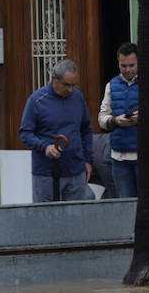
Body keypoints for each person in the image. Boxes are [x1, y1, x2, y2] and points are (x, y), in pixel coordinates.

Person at [19, 58, 94, 202]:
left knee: (76, 217)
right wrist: (44, 147)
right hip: (46, 173)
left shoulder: (78, 97)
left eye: (74, 85)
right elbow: (25, 133)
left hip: (75, 170)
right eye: (66, 85)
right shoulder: (37, 100)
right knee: (46, 219)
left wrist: (88, 160)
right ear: (54, 79)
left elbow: (86, 130)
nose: (71, 89)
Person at [96, 43, 139, 198]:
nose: (128, 69)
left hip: (143, 156)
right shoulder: (111, 85)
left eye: (132, 65)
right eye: (123, 65)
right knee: (126, 205)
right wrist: (115, 121)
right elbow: (101, 118)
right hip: (118, 157)